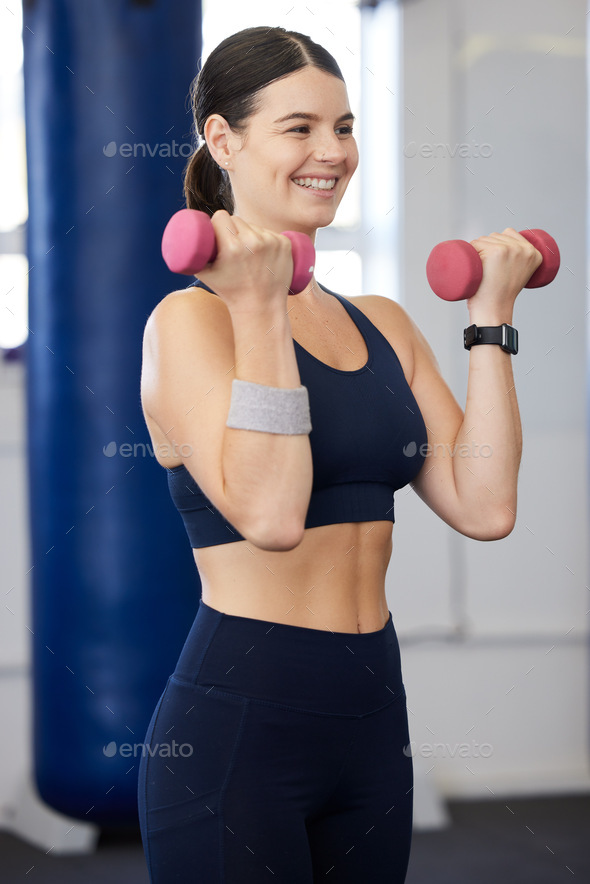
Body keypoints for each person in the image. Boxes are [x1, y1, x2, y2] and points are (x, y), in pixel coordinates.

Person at [137, 25, 541, 884]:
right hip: (241, 731)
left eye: (345, 126)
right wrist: (257, 309)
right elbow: (273, 516)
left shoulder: (383, 323)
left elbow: (486, 506)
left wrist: (489, 321)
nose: (333, 152)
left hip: (370, 717)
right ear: (223, 138)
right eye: (300, 128)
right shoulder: (191, 325)